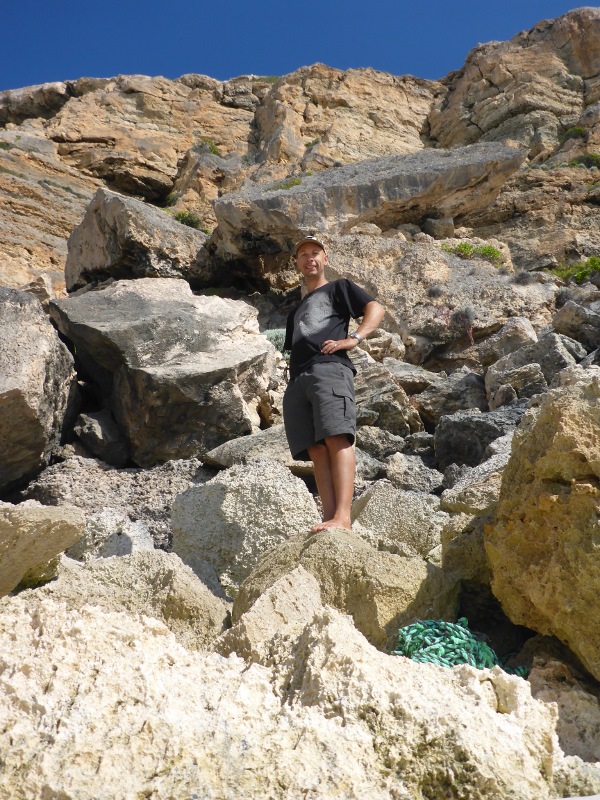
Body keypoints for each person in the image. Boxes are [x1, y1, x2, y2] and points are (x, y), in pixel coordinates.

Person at [283, 236, 385, 533]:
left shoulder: (339, 287)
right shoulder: (295, 312)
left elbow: (375, 309)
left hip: (329, 369)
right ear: (298, 263)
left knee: (336, 437)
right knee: (315, 449)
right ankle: (329, 517)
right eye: (303, 254)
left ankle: (343, 517)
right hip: (298, 379)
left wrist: (354, 339)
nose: (309, 258)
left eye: (315, 252)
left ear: (325, 259)